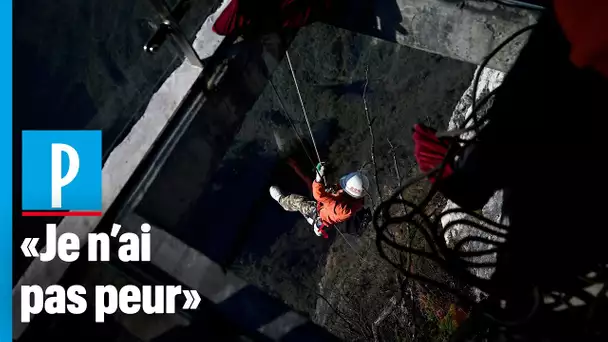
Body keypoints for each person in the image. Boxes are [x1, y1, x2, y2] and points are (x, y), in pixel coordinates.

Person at [269, 163, 368, 237]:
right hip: (329, 211)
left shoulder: (339, 207)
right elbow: (340, 192)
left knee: (300, 202)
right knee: (329, 189)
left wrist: (318, 179)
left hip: (319, 215)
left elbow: (318, 196)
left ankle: (281, 200)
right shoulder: (357, 197)